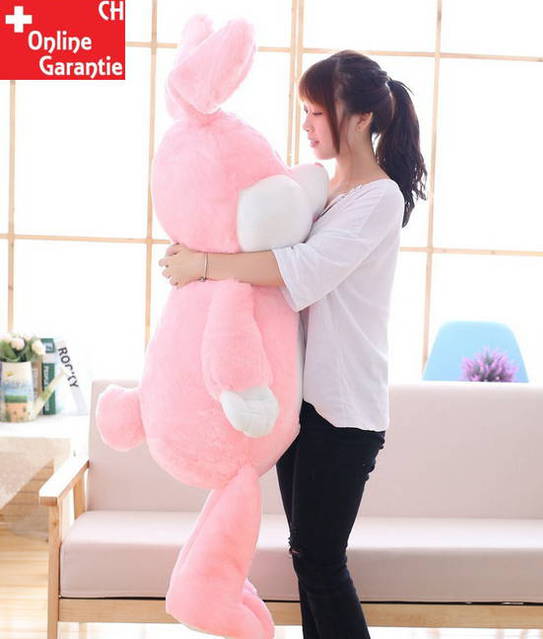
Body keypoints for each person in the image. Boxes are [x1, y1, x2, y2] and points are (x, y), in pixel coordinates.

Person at [158, 49, 427, 638]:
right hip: (301, 405)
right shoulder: (326, 190)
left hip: (344, 410)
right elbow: (266, 245)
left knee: (320, 560)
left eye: (316, 111)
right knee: (307, 559)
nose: (306, 124)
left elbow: (301, 270)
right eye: (304, 111)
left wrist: (204, 264)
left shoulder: (378, 199)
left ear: (359, 118)